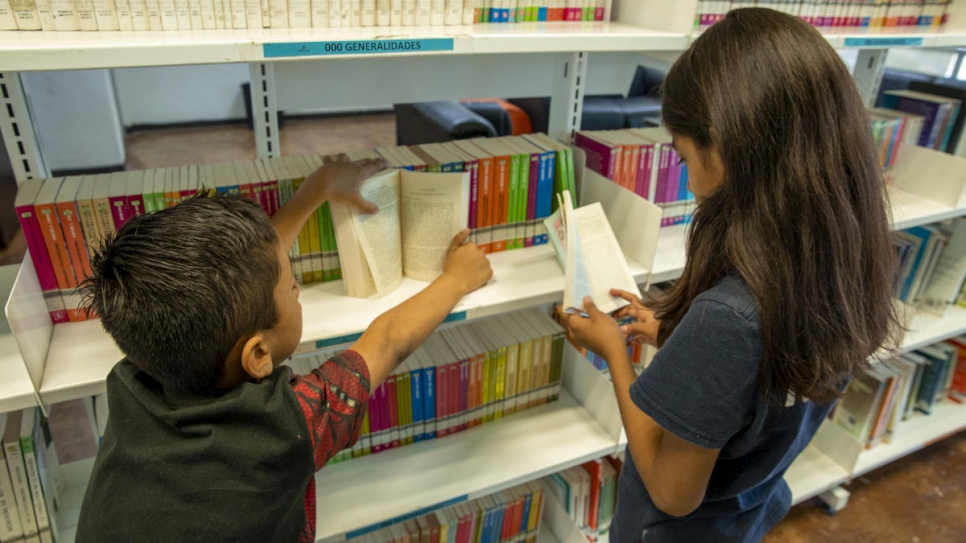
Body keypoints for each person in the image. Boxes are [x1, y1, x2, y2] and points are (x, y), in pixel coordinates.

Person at [556, 8, 901, 543]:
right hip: (748, 512)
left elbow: (673, 492)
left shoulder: (728, 317)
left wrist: (617, 355)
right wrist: (675, 339)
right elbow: (760, 382)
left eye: (685, 157)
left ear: (723, 145)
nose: (691, 184)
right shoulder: (847, 261)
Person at [75, 156, 493, 542]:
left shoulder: (138, 365)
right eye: (291, 287)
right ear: (258, 356)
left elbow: (241, 274)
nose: (297, 288)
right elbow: (386, 341)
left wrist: (319, 188)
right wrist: (457, 279)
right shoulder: (286, 425)